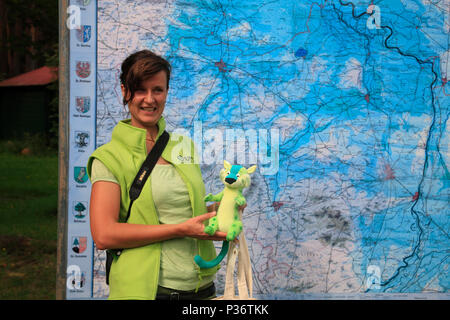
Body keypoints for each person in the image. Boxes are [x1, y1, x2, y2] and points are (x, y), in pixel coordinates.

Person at [87, 50, 227, 300]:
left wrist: (222, 210)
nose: (149, 99)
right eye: (140, 90)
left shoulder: (183, 145)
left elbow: (184, 211)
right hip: (148, 292)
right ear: (124, 90)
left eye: (158, 90)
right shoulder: (109, 157)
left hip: (203, 291)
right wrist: (180, 229)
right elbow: (104, 235)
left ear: (166, 92)